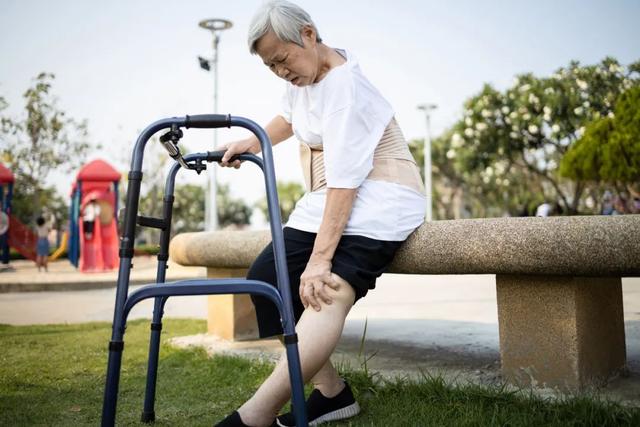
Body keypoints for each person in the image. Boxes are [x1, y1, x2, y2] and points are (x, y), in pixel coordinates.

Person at [215, 2, 425, 426]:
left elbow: (347, 181)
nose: (281, 71)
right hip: (331, 197)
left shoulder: (346, 87)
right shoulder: (305, 77)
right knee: (266, 279)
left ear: (308, 35)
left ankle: (257, 414)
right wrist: (253, 141)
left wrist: (320, 259)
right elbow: (291, 118)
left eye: (282, 59)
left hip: (381, 197)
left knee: (325, 289)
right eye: (271, 65)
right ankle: (331, 392)